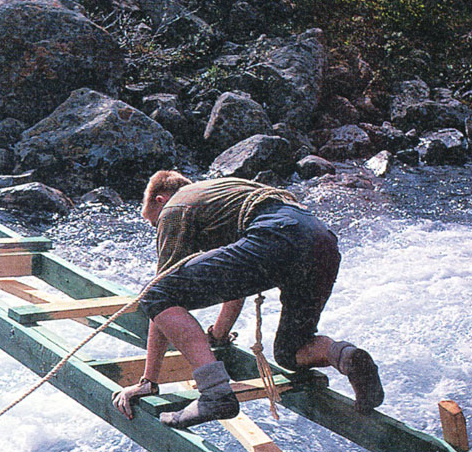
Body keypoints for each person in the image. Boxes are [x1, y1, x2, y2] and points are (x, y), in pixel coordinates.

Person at [112, 171, 384, 429]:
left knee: (156, 294)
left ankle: (215, 394)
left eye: (154, 223)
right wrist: (218, 335)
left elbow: (160, 295)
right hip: (320, 241)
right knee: (291, 352)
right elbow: (236, 285)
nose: (157, 231)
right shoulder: (222, 194)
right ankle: (347, 357)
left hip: (277, 235)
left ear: (160, 200)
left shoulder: (174, 208)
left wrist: (148, 381)